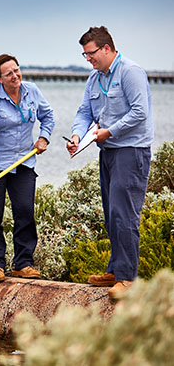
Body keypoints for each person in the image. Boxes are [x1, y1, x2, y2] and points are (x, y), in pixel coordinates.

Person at [66, 26, 153, 299]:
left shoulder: (130, 72)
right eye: (84, 55)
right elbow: (84, 112)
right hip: (108, 153)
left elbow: (140, 112)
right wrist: (78, 135)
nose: (88, 60)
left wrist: (110, 131)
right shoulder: (94, 79)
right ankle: (115, 270)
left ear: (106, 48)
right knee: (111, 213)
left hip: (131, 150)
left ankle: (128, 278)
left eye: (90, 54)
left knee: (124, 213)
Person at [0, 54, 54, 283]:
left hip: (23, 162)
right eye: (9, 73)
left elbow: (48, 116)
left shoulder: (32, 90)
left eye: (17, 70)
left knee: (25, 211)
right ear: (0, 79)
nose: (15, 75)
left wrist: (44, 137)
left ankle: (23, 263)